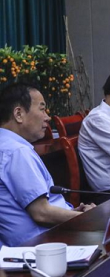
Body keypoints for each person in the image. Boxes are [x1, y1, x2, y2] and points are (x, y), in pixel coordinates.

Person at [0, 84, 95, 247]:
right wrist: (88, 218)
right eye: (42, 109)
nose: (47, 117)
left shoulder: (7, 145)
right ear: (18, 114)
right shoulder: (16, 151)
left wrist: (71, 213)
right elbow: (41, 213)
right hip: (43, 246)